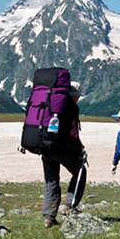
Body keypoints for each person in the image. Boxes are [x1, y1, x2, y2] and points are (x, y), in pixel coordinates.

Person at [41, 84, 88, 228]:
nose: (78, 98)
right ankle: (70, 206)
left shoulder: (49, 104)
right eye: (77, 95)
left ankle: (49, 218)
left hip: (45, 147)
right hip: (62, 149)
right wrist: (80, 149)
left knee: (51, 181)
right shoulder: (72, 107)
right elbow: (73, 133)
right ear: (73, 95)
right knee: (80, 171)